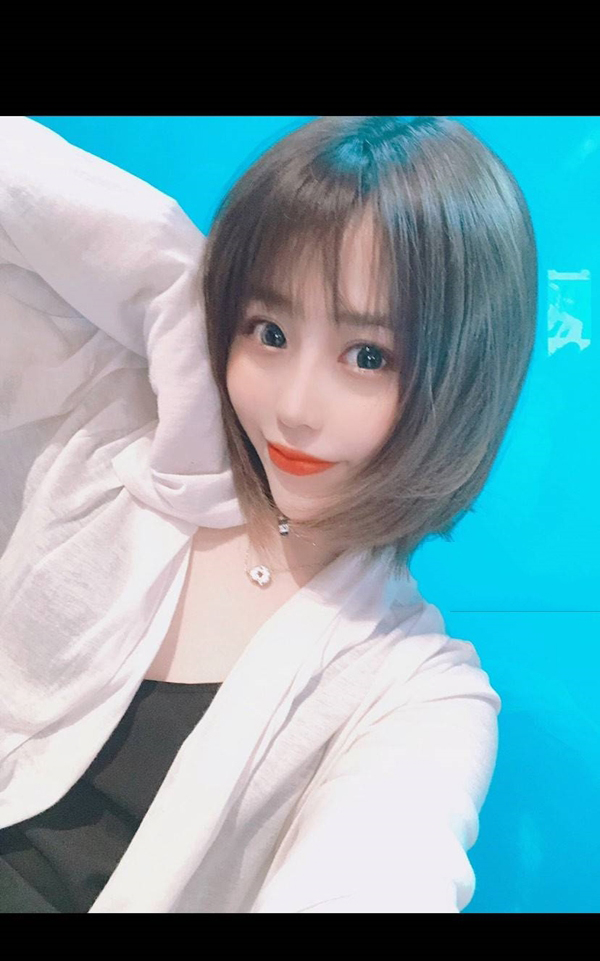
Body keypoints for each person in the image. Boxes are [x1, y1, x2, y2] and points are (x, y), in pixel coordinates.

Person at [0, 115, 537, 913]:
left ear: (464, 375)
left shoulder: (418, 690)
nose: (293, 409)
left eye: (368, 356)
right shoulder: (122, 448)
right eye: (270, 331)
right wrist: (181, 279)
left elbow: (386, 865)